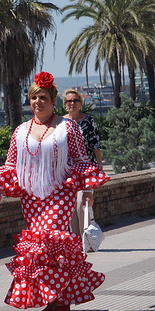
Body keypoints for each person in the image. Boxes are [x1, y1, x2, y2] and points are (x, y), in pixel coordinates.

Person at [0, 72, 108, 311]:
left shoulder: (68, 127)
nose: (37, 102)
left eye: (42, 97)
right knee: (38, 247)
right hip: (31, 198)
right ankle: (53, 297)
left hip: (60, 193)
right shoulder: (20, 131)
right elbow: (11, 166)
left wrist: (86, 190)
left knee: (53, 239)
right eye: (33, 98)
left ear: (53, 101)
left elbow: (80, 159)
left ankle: (59, 299)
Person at [62, 87, 103, 251]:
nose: (72, 103)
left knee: (82, 203)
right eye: (69, 101)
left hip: (87, 169)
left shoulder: (88, 121)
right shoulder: (61, 123)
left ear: (81, 103)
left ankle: (87, 239)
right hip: (67, 170)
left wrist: (99, 168)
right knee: (71, 206)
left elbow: (96, 145)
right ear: (65, 104)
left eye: (75, 100)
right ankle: (77, 244)